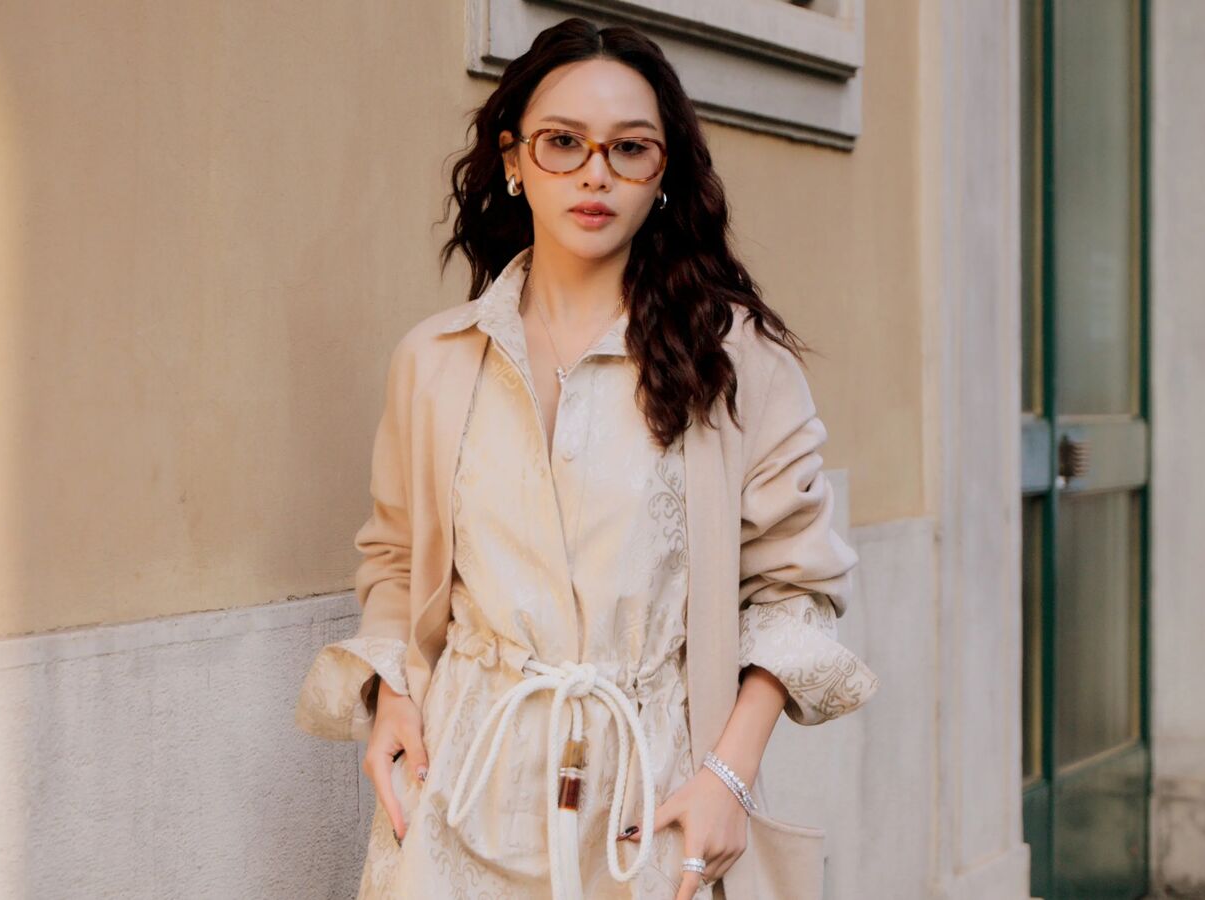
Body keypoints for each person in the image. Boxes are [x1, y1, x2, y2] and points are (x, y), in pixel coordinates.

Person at [296, 16, 879, 900]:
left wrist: (728, 777)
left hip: (655, 802)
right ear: (513, 160)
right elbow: (392, 560)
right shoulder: (435, 361)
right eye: (562, 143)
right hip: (461, 801)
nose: (594, 172)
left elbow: (795, 588)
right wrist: (394, 701)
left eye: (629, 148)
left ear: (665, 173)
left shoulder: (736, 362)